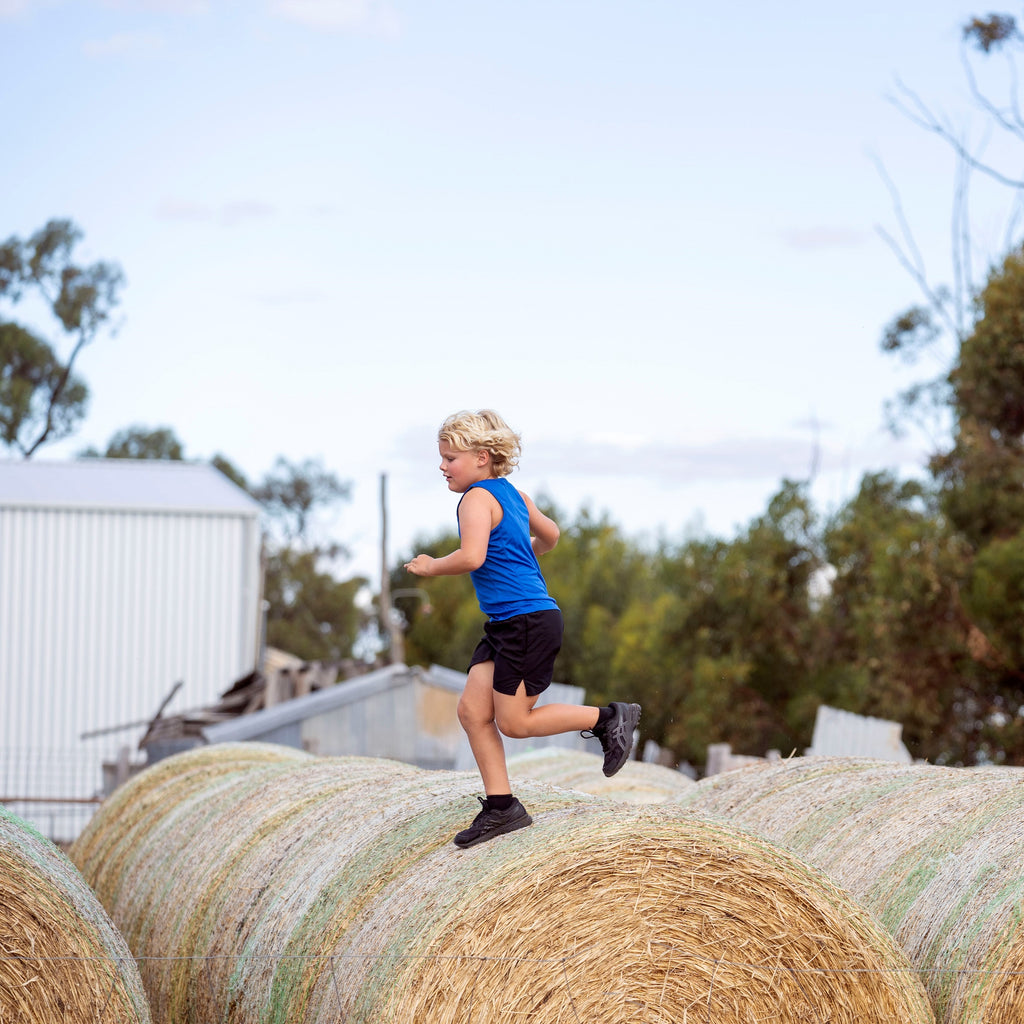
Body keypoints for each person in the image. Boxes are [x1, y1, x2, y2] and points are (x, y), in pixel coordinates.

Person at [405, 409, 641, 849]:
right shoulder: (515, 495)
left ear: (481, 457)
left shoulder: (476, 498)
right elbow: (551, 535)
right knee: (473, 712)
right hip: (509, 623)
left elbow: (472, 556)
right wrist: (525, 557)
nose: (442, 466)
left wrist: (432, 566)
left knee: (514, 723)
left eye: (449, 458)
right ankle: (501, 808)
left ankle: (610, 718)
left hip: (525, 622)